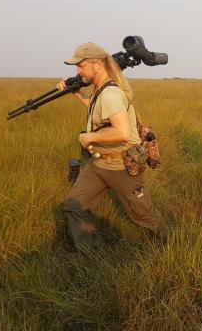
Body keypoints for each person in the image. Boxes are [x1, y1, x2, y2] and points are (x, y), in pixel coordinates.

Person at [59, 42, 167, 249]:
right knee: (73, 206)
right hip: (98, 164)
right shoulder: (102, 90)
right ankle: (89, 254)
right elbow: (99, 109)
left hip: (120, 166)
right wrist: (75, 93)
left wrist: (89, 138)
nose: (78, 71)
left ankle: (167, 247)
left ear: (97, 65)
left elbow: (122, 132)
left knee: (145, 215)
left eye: (81, 66)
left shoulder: (110, 93)